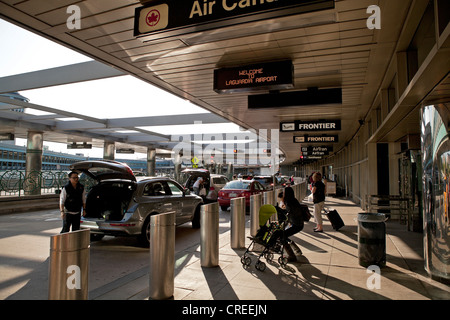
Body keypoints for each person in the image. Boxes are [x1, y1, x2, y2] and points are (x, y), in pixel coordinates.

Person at [282, 186, 305, 262]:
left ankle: (292, 256)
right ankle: (294, 249)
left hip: (296, 225)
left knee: (282, 236)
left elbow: (288, 215)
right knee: (284, 235)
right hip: (298, 223)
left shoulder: (289, 203)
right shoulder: (293, 200)